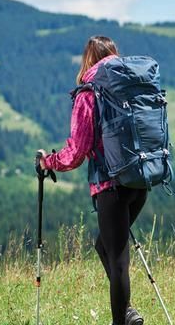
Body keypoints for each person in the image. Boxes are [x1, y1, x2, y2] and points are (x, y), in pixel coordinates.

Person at [38, 35, 146, 325]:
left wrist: (47, 161)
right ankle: (128, 312)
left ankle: (121, 320)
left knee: (119, 261)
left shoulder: (89, 94)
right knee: (106, 247)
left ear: (89, 59)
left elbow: (76, 152)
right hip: (139, 182)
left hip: (111, 188)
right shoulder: (131, 88)